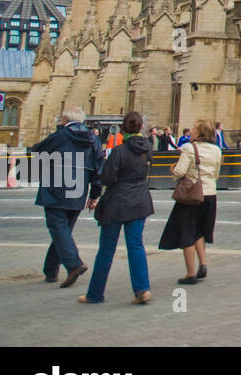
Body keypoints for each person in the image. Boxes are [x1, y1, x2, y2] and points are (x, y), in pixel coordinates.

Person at [79, 112, 154, 305]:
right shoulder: (148, 149)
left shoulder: (119, 151)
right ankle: (142, 289)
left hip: (118, 202)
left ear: (123, 128)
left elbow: (107, 178)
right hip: (140, 201)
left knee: (106, 249)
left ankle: (95, 294)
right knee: (136, 245)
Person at [31, 106, 103, 287]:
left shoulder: (61, 135)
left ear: (64, 120)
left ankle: (74, 264)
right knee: (63, 230)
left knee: (57, 226)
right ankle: (51, 271)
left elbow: (37, 151)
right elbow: (98, 168)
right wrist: (94, 194)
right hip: (79, 188)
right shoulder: (93, 138)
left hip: (57, 186)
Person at [159, 120, 222, 284]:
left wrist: (173, 170)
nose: (191, 130)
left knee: (187, 232)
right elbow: (216, 173)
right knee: (200, 230)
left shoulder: (189, 148)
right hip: (210, 194)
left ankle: (190, 273)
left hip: (192, 195)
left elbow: (180, 172)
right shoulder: (216, 150)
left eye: (194, 128)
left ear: (200, 133)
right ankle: (203, 264)